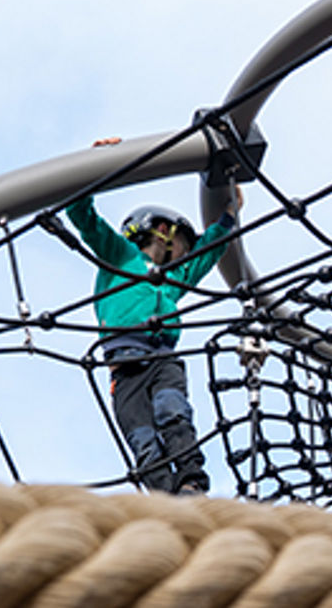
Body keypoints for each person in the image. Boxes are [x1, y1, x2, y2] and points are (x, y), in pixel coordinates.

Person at [65, 184, 241, 494]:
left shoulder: (171, 280)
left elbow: (206, 254)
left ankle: (191, 484)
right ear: (163, 231)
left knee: (173, 410)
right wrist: (93, 173)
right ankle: (165, 499)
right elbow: (83, 217)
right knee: (143, 441)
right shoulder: (120, 255)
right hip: (123, 367)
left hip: (161, 359)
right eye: (183, 244)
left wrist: (229, 216)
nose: (185, 253)